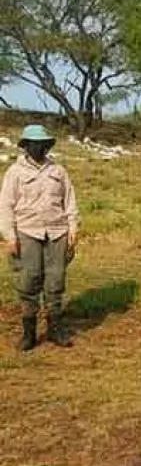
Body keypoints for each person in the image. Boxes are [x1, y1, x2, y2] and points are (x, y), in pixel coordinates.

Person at [0, 124, 79, 350]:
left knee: (55, 282)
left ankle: (55, 329)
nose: (39, 148)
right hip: (27, 232)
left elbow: (70, 201)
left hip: (57, 232)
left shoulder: (58, 171)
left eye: (43, 144)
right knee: (29, 281)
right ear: (26, 146)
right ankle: (29, 333)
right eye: (35, 144)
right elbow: (5, 206)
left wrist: (73, 228)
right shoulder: (15, 173)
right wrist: (9, 236)